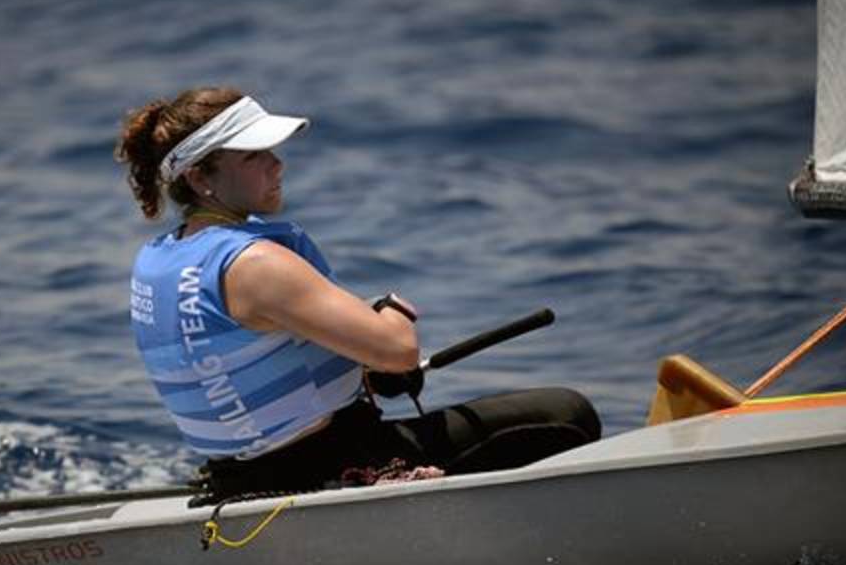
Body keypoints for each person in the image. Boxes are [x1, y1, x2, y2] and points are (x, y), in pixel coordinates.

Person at [115, 87, 599, 503]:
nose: (277, 164)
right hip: (334, 467)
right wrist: (393, 312)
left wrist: (362, 367)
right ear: (200, 178)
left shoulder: (157, 260)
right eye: (253, 156)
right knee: (569, 414)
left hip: (239, 476)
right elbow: (398, 349)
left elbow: (241, 357)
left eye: (272, 150)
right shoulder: (256, 264)